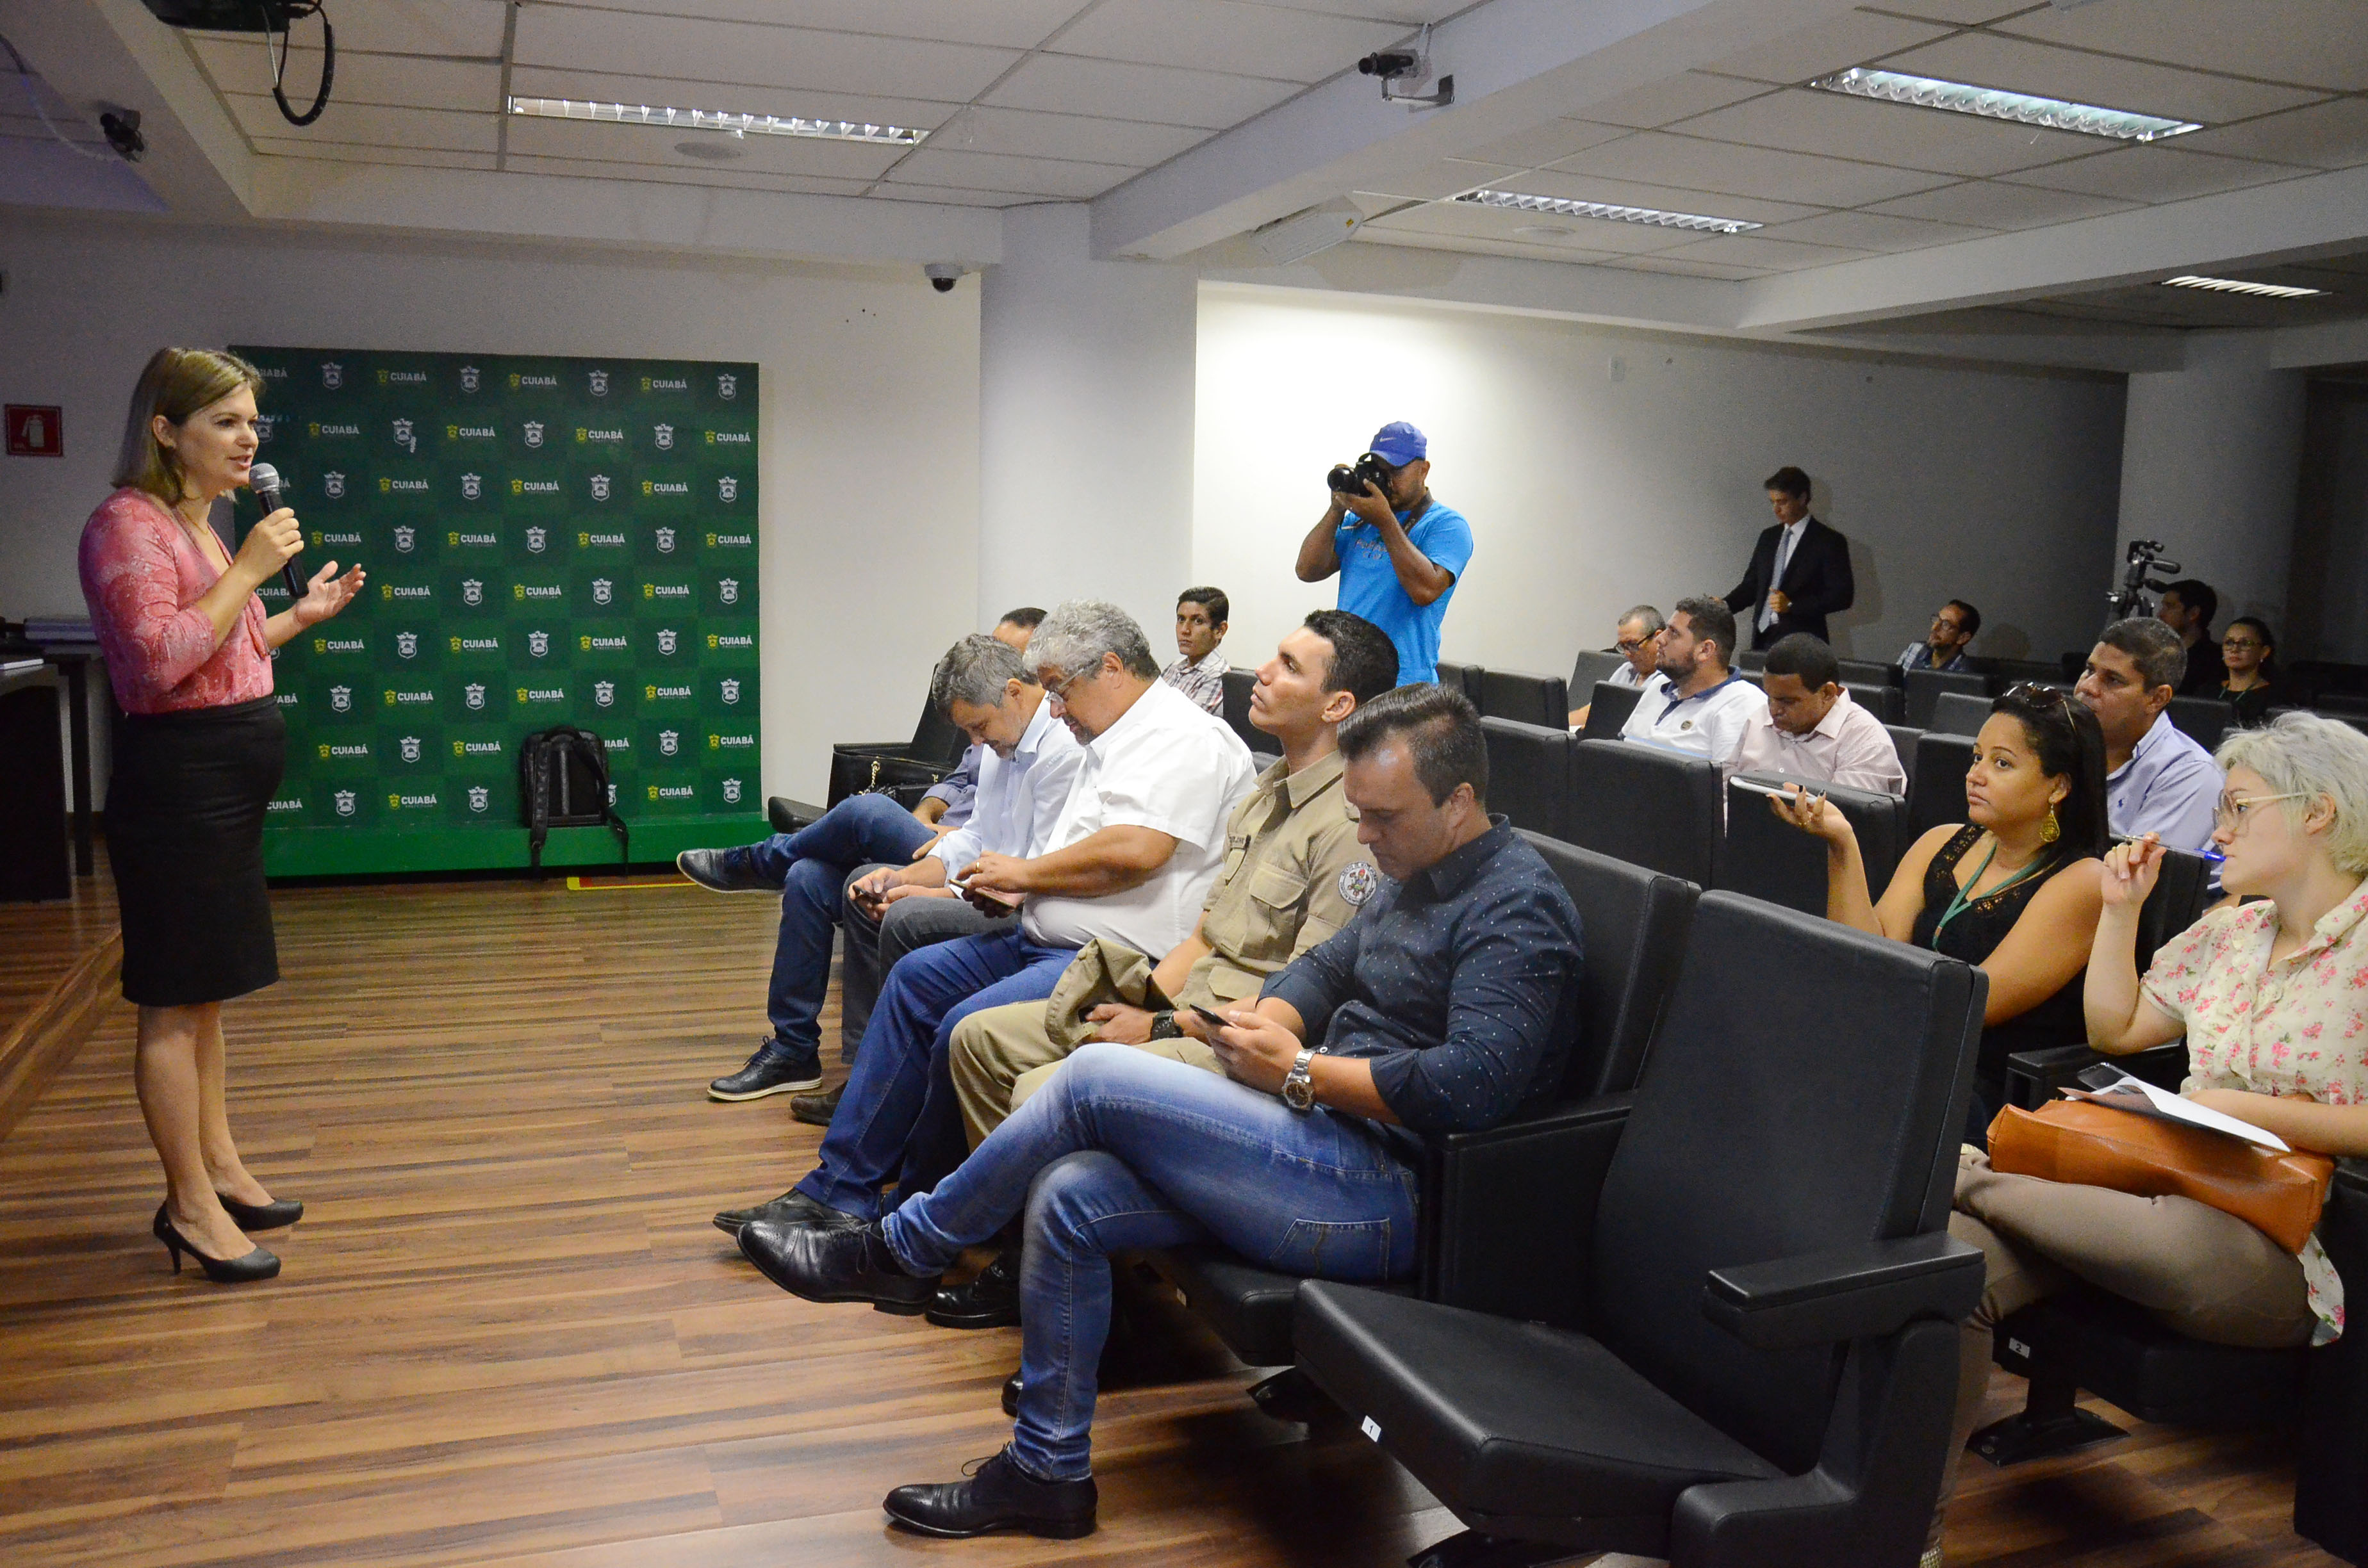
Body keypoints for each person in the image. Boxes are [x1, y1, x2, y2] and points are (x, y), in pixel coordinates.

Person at [736, 682, 1584, 1540]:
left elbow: (1473, 1085)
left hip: (1390, 1193)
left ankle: (900, 1249)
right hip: (1321, 1144)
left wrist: (1300, 1072)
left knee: (1093, 1078)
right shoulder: (1415, 868)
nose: (1365, 835)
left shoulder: (1518, 905)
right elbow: (1325, 967)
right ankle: (1046, 1473)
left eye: (1383, 818)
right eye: (1359, 814)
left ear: (1459, 802)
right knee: (1072, 1192)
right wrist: (1271, 1025)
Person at [1933, 713, 2368, 1550]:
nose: (2219, 827)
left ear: (2318, 813)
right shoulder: (2233, 930)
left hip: (2292, 1237)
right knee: (1952, 1266)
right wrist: (2120, 911)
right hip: (2160, 1187)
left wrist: (2248, 1112)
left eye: (2240, 807)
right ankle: (1911, 1535)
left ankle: (1960, 1173)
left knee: (2166, 1237)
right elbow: (2117, 1028)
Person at [711, 600, 1256, 1236]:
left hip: (1117, 960)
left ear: (1111, 668)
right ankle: (839, 1190)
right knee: (914, 979)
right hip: (1050, 937)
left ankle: (909, 1209)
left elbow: (1138, 850)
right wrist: (1002, 884)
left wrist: (1023, 878)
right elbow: (1044, 851)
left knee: (960, 1023)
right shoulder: (1109, 740)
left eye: (1061, 690)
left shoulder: (1181, 737)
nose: (1056, 710)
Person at [921, 609, 1398, 1330]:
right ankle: (1039, 1255)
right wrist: (1143, 1005)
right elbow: (1206, 936)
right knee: (978, 1041)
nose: (1262, 672)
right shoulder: (1269, 792)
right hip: (1185, 1003)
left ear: (1339, 705)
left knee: (1043, 1088)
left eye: (1289, 666)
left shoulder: (1351, 825)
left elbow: (1305, 996)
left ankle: (1044, 1276)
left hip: (1237, 1041)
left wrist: (1159, 1027)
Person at [79, 348, 366, 1284]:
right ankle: (188, 1207)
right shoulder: (127, 525)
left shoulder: (198, 524)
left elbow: (223, 651)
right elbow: (158, 664)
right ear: (167, 431)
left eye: (252, 422)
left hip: (226, 782)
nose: (249, 440)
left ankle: (222, 1168)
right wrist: (248, 569)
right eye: (227, 422)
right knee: (173, 1000)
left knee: (205, 995)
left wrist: (298, 617)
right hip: (178, 787)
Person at [682, 634, 1087, 1106]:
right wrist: (902, 879)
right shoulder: (1004, 741)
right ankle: (801, 1053)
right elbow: (973, 841)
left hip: (1019, 908)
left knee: (870, 820)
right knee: (811, 878)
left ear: (1014, 692)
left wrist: (923, 894)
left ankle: (869, 1081)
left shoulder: (1062, 752)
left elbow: (1024, 883)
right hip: (975, 877)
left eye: (979, 728)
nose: (976, 743)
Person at [1769, 685, 2108, 1143]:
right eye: (1977, 757)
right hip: (1903, 1049)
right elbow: (1865, 954)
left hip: (1984, 1089)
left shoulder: (2084, 881)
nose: (1975, 775)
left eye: (2002, 764)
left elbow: (1971, 1005)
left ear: (2059, 786)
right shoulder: (1942, 841)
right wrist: (1842, 845)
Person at [1294, 420, 1473, 685]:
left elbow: (1425, 591)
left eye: (1395, 471)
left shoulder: (1446, 525)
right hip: (1349, 675)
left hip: (1405, 683)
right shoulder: (1360, 520)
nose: (1386, 480)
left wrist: (1386, 521)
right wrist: (1337, 508)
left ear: (1423, 470)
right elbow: (1307, 570)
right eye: (1378, 469)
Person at [2075, 617, 2223, 855]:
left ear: (2157, 699)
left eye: (2113, 680)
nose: (2087, 687)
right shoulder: (2057, 743)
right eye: (2090, 670)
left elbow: (2131, 872)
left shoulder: (2191, 774)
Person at [914, 608, 1045, 833]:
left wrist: (953, 837)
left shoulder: (1020, 733)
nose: (992, 664)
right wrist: (922, 817)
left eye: (1007, 656)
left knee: (868, 813)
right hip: (946, 836)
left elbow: (1007, 835)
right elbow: (956, 783)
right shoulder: (988, 731)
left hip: (963, 841)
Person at [1732, 632, 1907, 796]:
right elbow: (1723, 791)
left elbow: (1845, 814)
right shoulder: (1758, 719)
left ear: (1827, 693)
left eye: (1788, 701)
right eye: (1770, 697)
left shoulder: (1866, 742)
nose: (1774, 710)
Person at [1617, 594, 1767, 772]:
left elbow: (1723, 785)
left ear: (1705, 650)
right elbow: (1620, 751)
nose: (1660, 639)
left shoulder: (1743, 703)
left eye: (1673, 633)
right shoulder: (1659, 685)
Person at [1725, 465, 1854, 651]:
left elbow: (1842, 596)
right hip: (1762, 639)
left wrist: (1792, 605)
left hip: (1803, 642)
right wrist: (1724, 606)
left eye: (1782, 502)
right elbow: (1752, 586)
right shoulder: (1768, 537)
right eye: (1772, 502)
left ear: (1802, 498)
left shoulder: (1828, 541)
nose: (1776, 509)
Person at [1566, 604, 1663, 729]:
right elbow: (1593, 712)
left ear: (1658, 638)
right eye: (1623, 646)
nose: (1627, 653)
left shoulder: (1672, 680)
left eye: (1633, 645)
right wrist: (1555, 724)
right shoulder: (1625, 671)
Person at [1159, 587, 1229, 715]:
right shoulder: (1175, 666)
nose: (1185, 630)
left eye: (1198, 621)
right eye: (1181, 619)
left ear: (1220, 630)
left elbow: (1183, 724)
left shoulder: (1218, 676)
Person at [2157, 578, 2223, 696]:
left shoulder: (2215, 661)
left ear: (2193, 613)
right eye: (2163, 607)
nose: (2160, 614)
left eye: (2170, 607)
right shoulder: (2155, 652)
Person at [2217, 615, 2278, 730]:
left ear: (2264, 652)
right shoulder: (2207, 691)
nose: (2235, 649)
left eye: (2245, 643)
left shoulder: (2273, 699)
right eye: (2229, 642)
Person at [1897, 600, 1979, 674]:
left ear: (1962, 638)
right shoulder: (1915, 649)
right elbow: (1892, 682)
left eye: (1946, 624)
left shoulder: (1963, 674)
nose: (1934, 627)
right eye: (1937, 619)